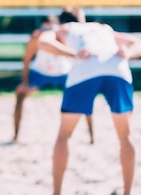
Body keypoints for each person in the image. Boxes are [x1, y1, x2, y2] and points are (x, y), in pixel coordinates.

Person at [37, 6, 141, 195]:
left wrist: (72, 53)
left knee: (64, 135)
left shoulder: (64, 28)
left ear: (62, 21)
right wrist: (128, 52)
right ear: (84, 18)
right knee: (125, 135)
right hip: (117, 67)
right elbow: (140, 44)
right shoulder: (102, 28)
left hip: (85, 69)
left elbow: (43, 42)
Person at [13, 14, 94, 143]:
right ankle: (16, 136)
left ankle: (92, 136)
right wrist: (25, 81)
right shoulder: (37, 37)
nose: (48, 33)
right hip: (40, 72)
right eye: (45, 30)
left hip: (63, 72)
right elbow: (27, 59)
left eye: (50, 30)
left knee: (84, 97)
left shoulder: (62, 36)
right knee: (20, 95)